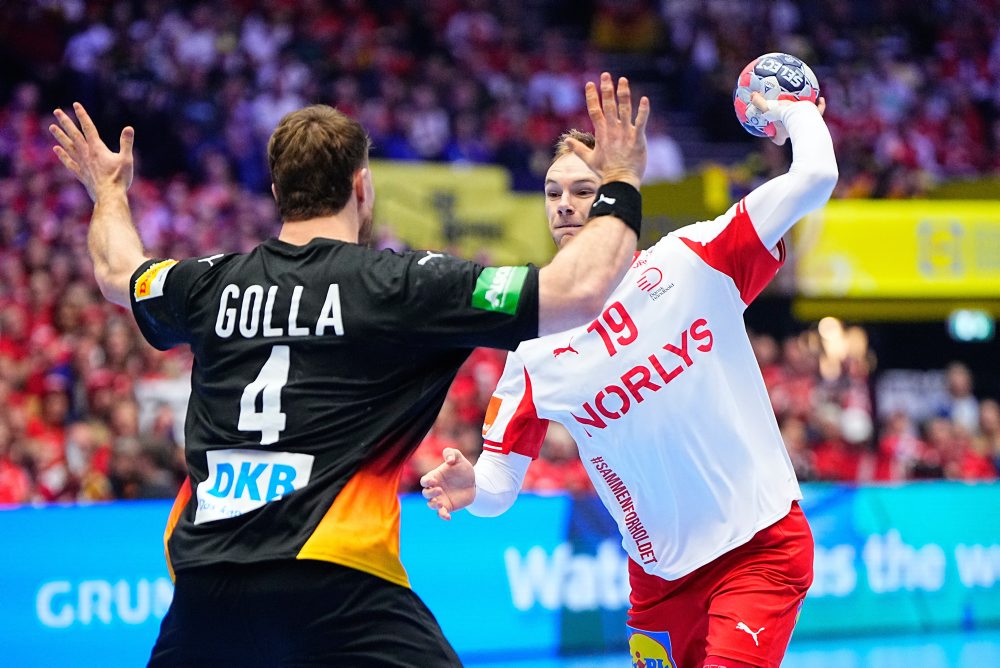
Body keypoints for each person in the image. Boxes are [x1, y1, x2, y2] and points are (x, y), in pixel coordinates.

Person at [49, 71, 649, 667]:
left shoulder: (207, 283)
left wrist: (108, 190)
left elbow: (117, 273)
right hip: (337, 584)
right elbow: (578, 289)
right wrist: (621, 177)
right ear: (362, 186)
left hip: (206, 590)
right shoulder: (400, 284)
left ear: (278, 192)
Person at [421, 91, 838, 668]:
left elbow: (815, 175)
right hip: (659, 582)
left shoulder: (694, 260)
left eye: (582, 190)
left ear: (615, 195)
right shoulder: (533, 347)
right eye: (553, 193)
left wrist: (795, 108)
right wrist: (472, 488)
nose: (564, 206)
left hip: (759, 548)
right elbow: (499, 484)